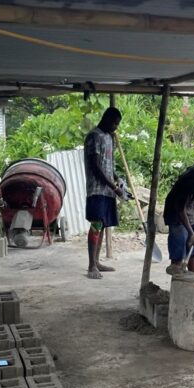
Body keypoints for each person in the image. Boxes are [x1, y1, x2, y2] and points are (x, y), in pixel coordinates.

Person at [83, 107, 124, 279]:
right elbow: (96, 166)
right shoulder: (94, 136)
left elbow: (109, 165)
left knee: (102, 225)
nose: (115, 127)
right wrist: (113, 186)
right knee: (96, 224)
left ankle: (97, 261)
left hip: (107, 190)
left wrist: (117, 179)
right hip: (97, 189)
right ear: (106, 119)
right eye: (114, 123)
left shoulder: (109, 137)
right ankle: (91, 265)